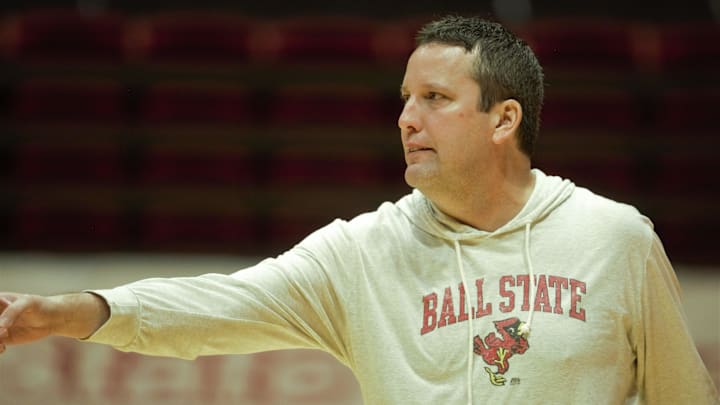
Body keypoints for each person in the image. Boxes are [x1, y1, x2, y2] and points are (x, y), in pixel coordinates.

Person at [0, 15, 717, 405]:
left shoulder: (615, 238)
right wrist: (63, 312)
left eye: (435, 99)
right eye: (405, 98)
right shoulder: (362, 250)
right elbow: (213, 306)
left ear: (504, 120)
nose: (407, 118)